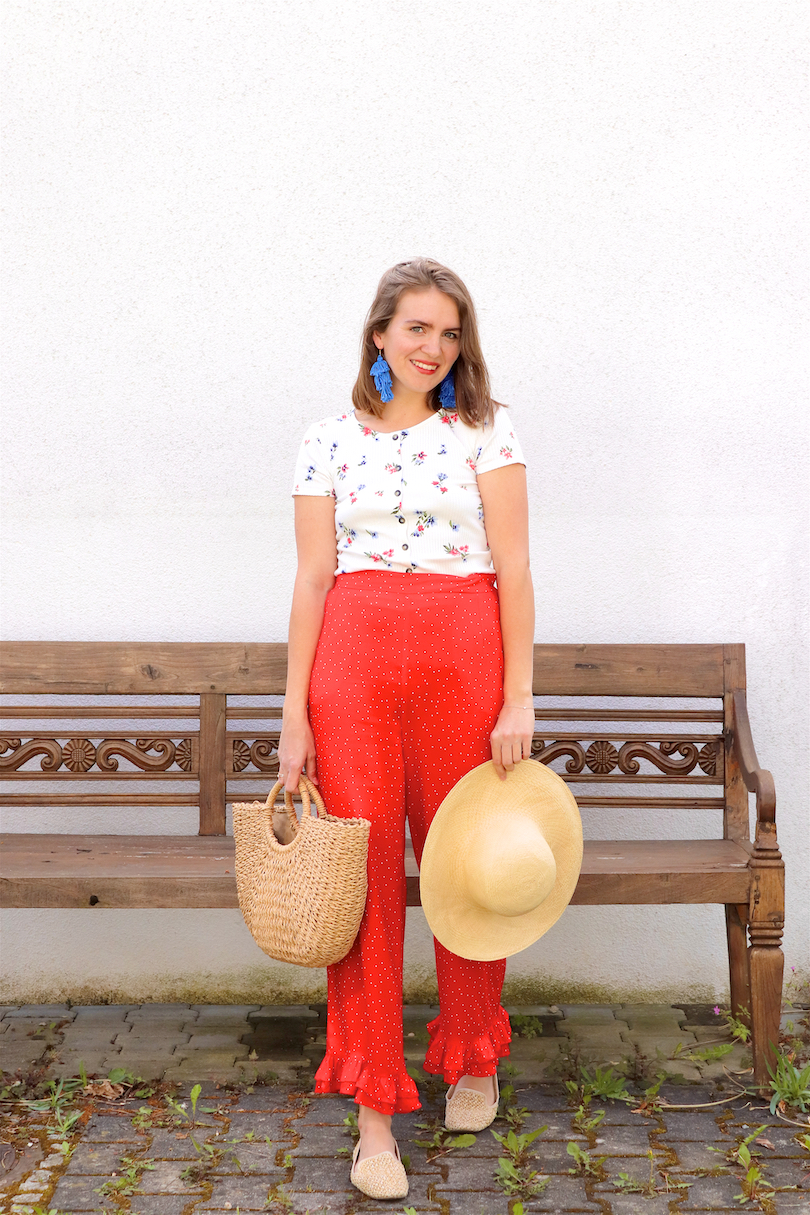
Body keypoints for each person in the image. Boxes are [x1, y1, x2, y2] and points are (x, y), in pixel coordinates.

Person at [278, 257, 535, 1199]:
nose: (434, 347)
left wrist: (519, 695)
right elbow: (312, 580)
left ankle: (472, 1052)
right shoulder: (326, 440)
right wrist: (292, 713)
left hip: (464, 660)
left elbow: (514, 565)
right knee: (369, 876)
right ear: (380, 334)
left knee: (468, 862)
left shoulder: (485, 430)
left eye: (450, 331)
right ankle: (374, 1113)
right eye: (417, 328)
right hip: (352, 667)